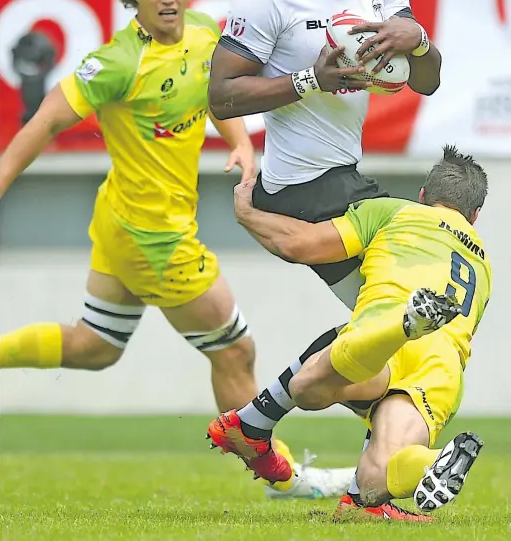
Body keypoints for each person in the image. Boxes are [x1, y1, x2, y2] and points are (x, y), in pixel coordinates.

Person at [0, 0, 354, 500]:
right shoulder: (116, 63)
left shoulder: (203, 33)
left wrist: (238, 140)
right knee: (234, 350)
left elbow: (220, 95)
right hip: (153, 238)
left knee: (95, 347)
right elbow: (43, 121)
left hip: (121, 224)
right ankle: (280, 477)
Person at [208, 0, 442, 516]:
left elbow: (426, 81)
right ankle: (365, 485)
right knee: (403, 340)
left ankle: (255, 423)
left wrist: (416, 39)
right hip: (300, 192)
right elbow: (221, 95)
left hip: (347, 181)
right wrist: (309, 78)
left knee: (383, 351)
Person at [208, 145, 491, 521]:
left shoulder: (394, 212)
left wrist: (247, 214)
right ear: (475, 216)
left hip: (381, 335)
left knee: (308, 390)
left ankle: (401, 326)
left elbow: (298, 244)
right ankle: (432, 464)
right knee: (374, 482)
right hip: (441, 369)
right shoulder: (484, 266)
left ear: (423, 195)